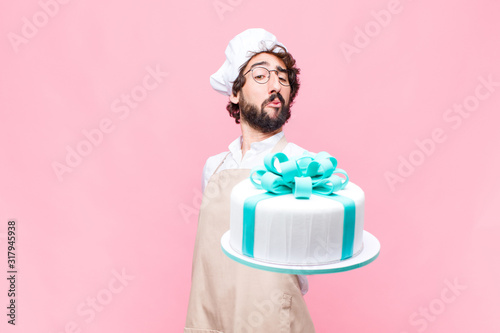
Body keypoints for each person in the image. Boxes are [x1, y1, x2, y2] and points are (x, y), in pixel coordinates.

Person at [185, 28, 316, 333]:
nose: (275, 86)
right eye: (260, 76)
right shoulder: (214, 168)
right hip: (210, 320)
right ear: (234, 92)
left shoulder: (302, 165)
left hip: (273, 322)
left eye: (283, 78)